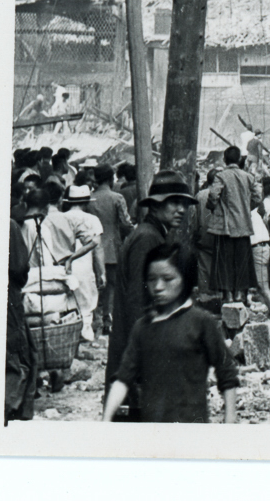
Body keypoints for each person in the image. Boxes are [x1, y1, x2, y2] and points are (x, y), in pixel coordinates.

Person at [103, 243, 239, 424]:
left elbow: (227, 374)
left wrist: (230, 420)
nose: (158, 286)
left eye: (167, 279)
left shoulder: (201, 322)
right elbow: (123, 379)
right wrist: (106, 420)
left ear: (186, 279)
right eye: (152, 279)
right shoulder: (142, 327)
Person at [104, 171, 198, 419]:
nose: (181, 209)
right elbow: (138, 300)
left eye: (184, 203)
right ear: (156, 205)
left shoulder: (154, 234)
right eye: (173, 202)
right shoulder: (147, 238)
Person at [207, 146, 262, 304]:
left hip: (225, 228)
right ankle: (240, 294)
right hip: (243, 226)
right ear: (239, 160)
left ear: (224, 159)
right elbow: (258, 197)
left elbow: (213, 195)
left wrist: (213, 207)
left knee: (224, 262)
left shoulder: (221, 176)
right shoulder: (248, 176)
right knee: (242, 261)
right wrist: (246, 207)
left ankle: (228, 296)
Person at [87, 164, 134, 336]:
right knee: (112, 287)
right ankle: (109, 321)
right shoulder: (117, 198)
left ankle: (95, 320)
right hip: (113, 249)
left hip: (92, 249)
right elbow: (125, 223)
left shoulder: (89, 199)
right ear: (110, 178)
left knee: (95, 286)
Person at [61, 184, 104, 341]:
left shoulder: (60, 218)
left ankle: (68, 335)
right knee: (87, 301)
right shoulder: (92, 220)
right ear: (86, 202)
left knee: (68, 300)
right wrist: (102, 272)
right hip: (85, 266)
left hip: (65, 265)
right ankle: (85, 334)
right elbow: (97, 247)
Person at [5, 218, 38, 423]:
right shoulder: (8, 225)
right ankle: (7, 412)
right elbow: (19, 268)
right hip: (7, 299)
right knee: (17, 358)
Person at [249, 204, 270, 320]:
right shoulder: (255, 214)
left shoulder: (250, 215)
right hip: (263, 248)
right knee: (262, 286)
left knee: (264, 287)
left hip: (258, 249)